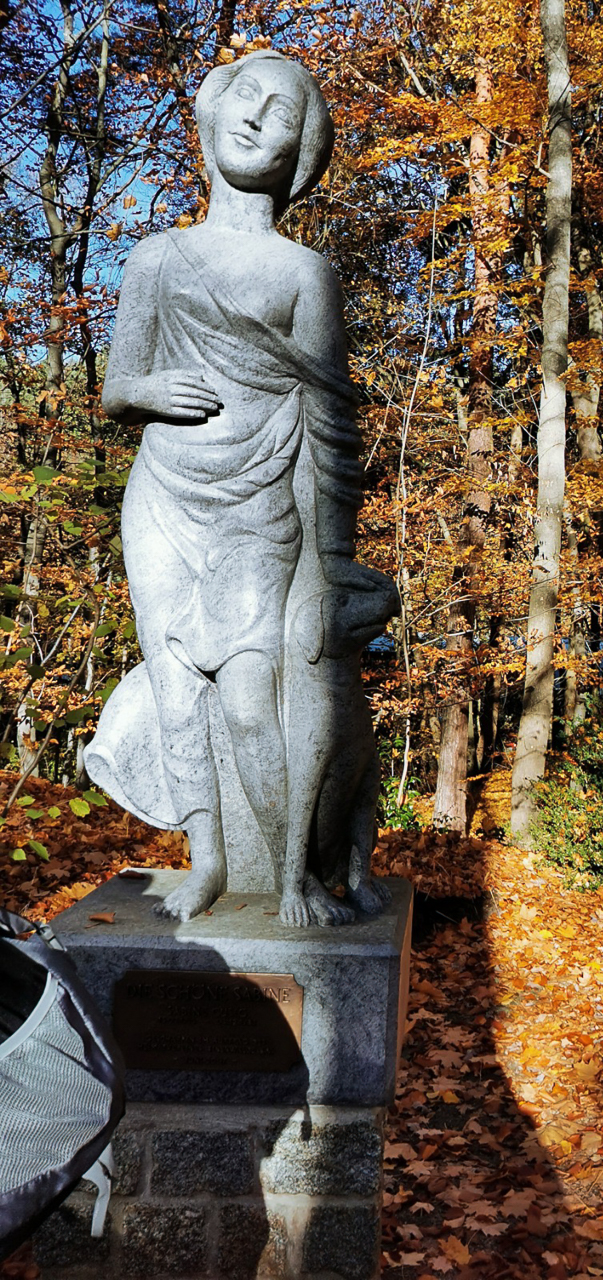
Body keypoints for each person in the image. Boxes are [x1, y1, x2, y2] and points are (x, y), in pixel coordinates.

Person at [88, 51, 391, 925]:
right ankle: (209, 861)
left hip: (261, 504)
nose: (259, 118)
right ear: (214, 113)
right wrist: (149, 391)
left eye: (284, 113)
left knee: (253, 693)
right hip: (163, 496)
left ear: (300, 154)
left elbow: (332, 420)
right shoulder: (158, 256)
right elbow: (116, 389)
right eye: (247, 98)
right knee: (175, 680)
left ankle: (295, 876)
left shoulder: (304, 273)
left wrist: (331, 557)